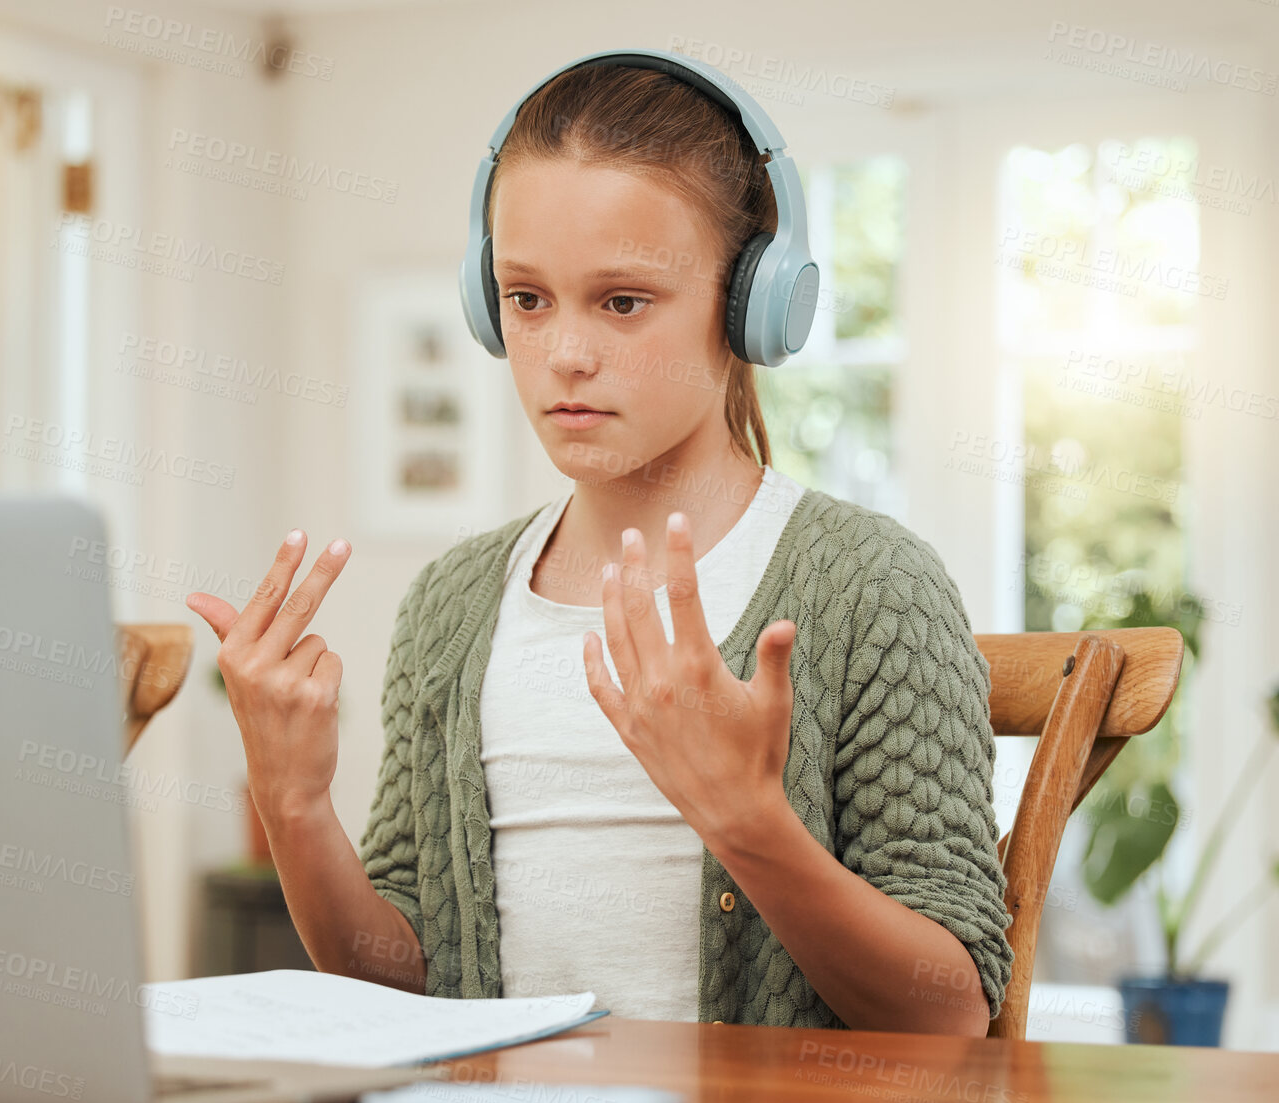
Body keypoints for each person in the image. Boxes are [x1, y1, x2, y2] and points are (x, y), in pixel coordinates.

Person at [189, 57, 1012, 1035]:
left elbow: (949, 1013)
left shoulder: (870, 588)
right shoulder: (452, 602)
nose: (564, 355)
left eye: (622, 301)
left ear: (752, 303)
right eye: (527, 300)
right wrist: (294, 805)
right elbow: (399, 990)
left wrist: (745, 822)